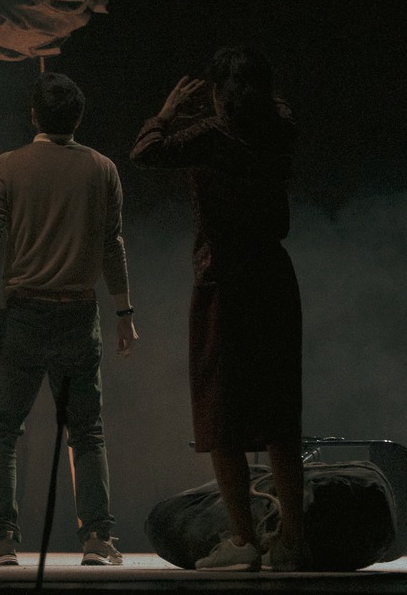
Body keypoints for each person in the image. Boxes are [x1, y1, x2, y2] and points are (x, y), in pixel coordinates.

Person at [128, 46, 307, 572]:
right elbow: (280, 108)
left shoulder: (210, 137)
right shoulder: (280, 130)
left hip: (225, 281)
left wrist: (166, 113)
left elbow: (145, 152)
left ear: (217, 93)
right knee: (279, 413)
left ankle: (243, 539)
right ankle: (294, 540)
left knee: (220, 408)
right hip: (273, 279)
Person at [0, 72, 137, 567]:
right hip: (79, 313)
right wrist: (124, 312)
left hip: (24, 312)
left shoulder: (8, 166)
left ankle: (1, 541)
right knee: (88, 432)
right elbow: (112, 246)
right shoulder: (103, 169)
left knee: (1, 430)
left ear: (34, 115)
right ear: (78, 118)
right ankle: (98, 539)